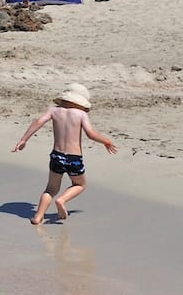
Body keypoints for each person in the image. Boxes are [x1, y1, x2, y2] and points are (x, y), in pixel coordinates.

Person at [12, 83, 118, 225]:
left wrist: (23, 140)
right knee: (80, 185)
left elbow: (38, 121)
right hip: (74, 158)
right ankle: (62, 200)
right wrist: (106, 141)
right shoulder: (81, 114)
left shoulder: (54, 111)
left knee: (50, 189)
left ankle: (38, 216)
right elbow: (90, 134)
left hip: (56, 156)